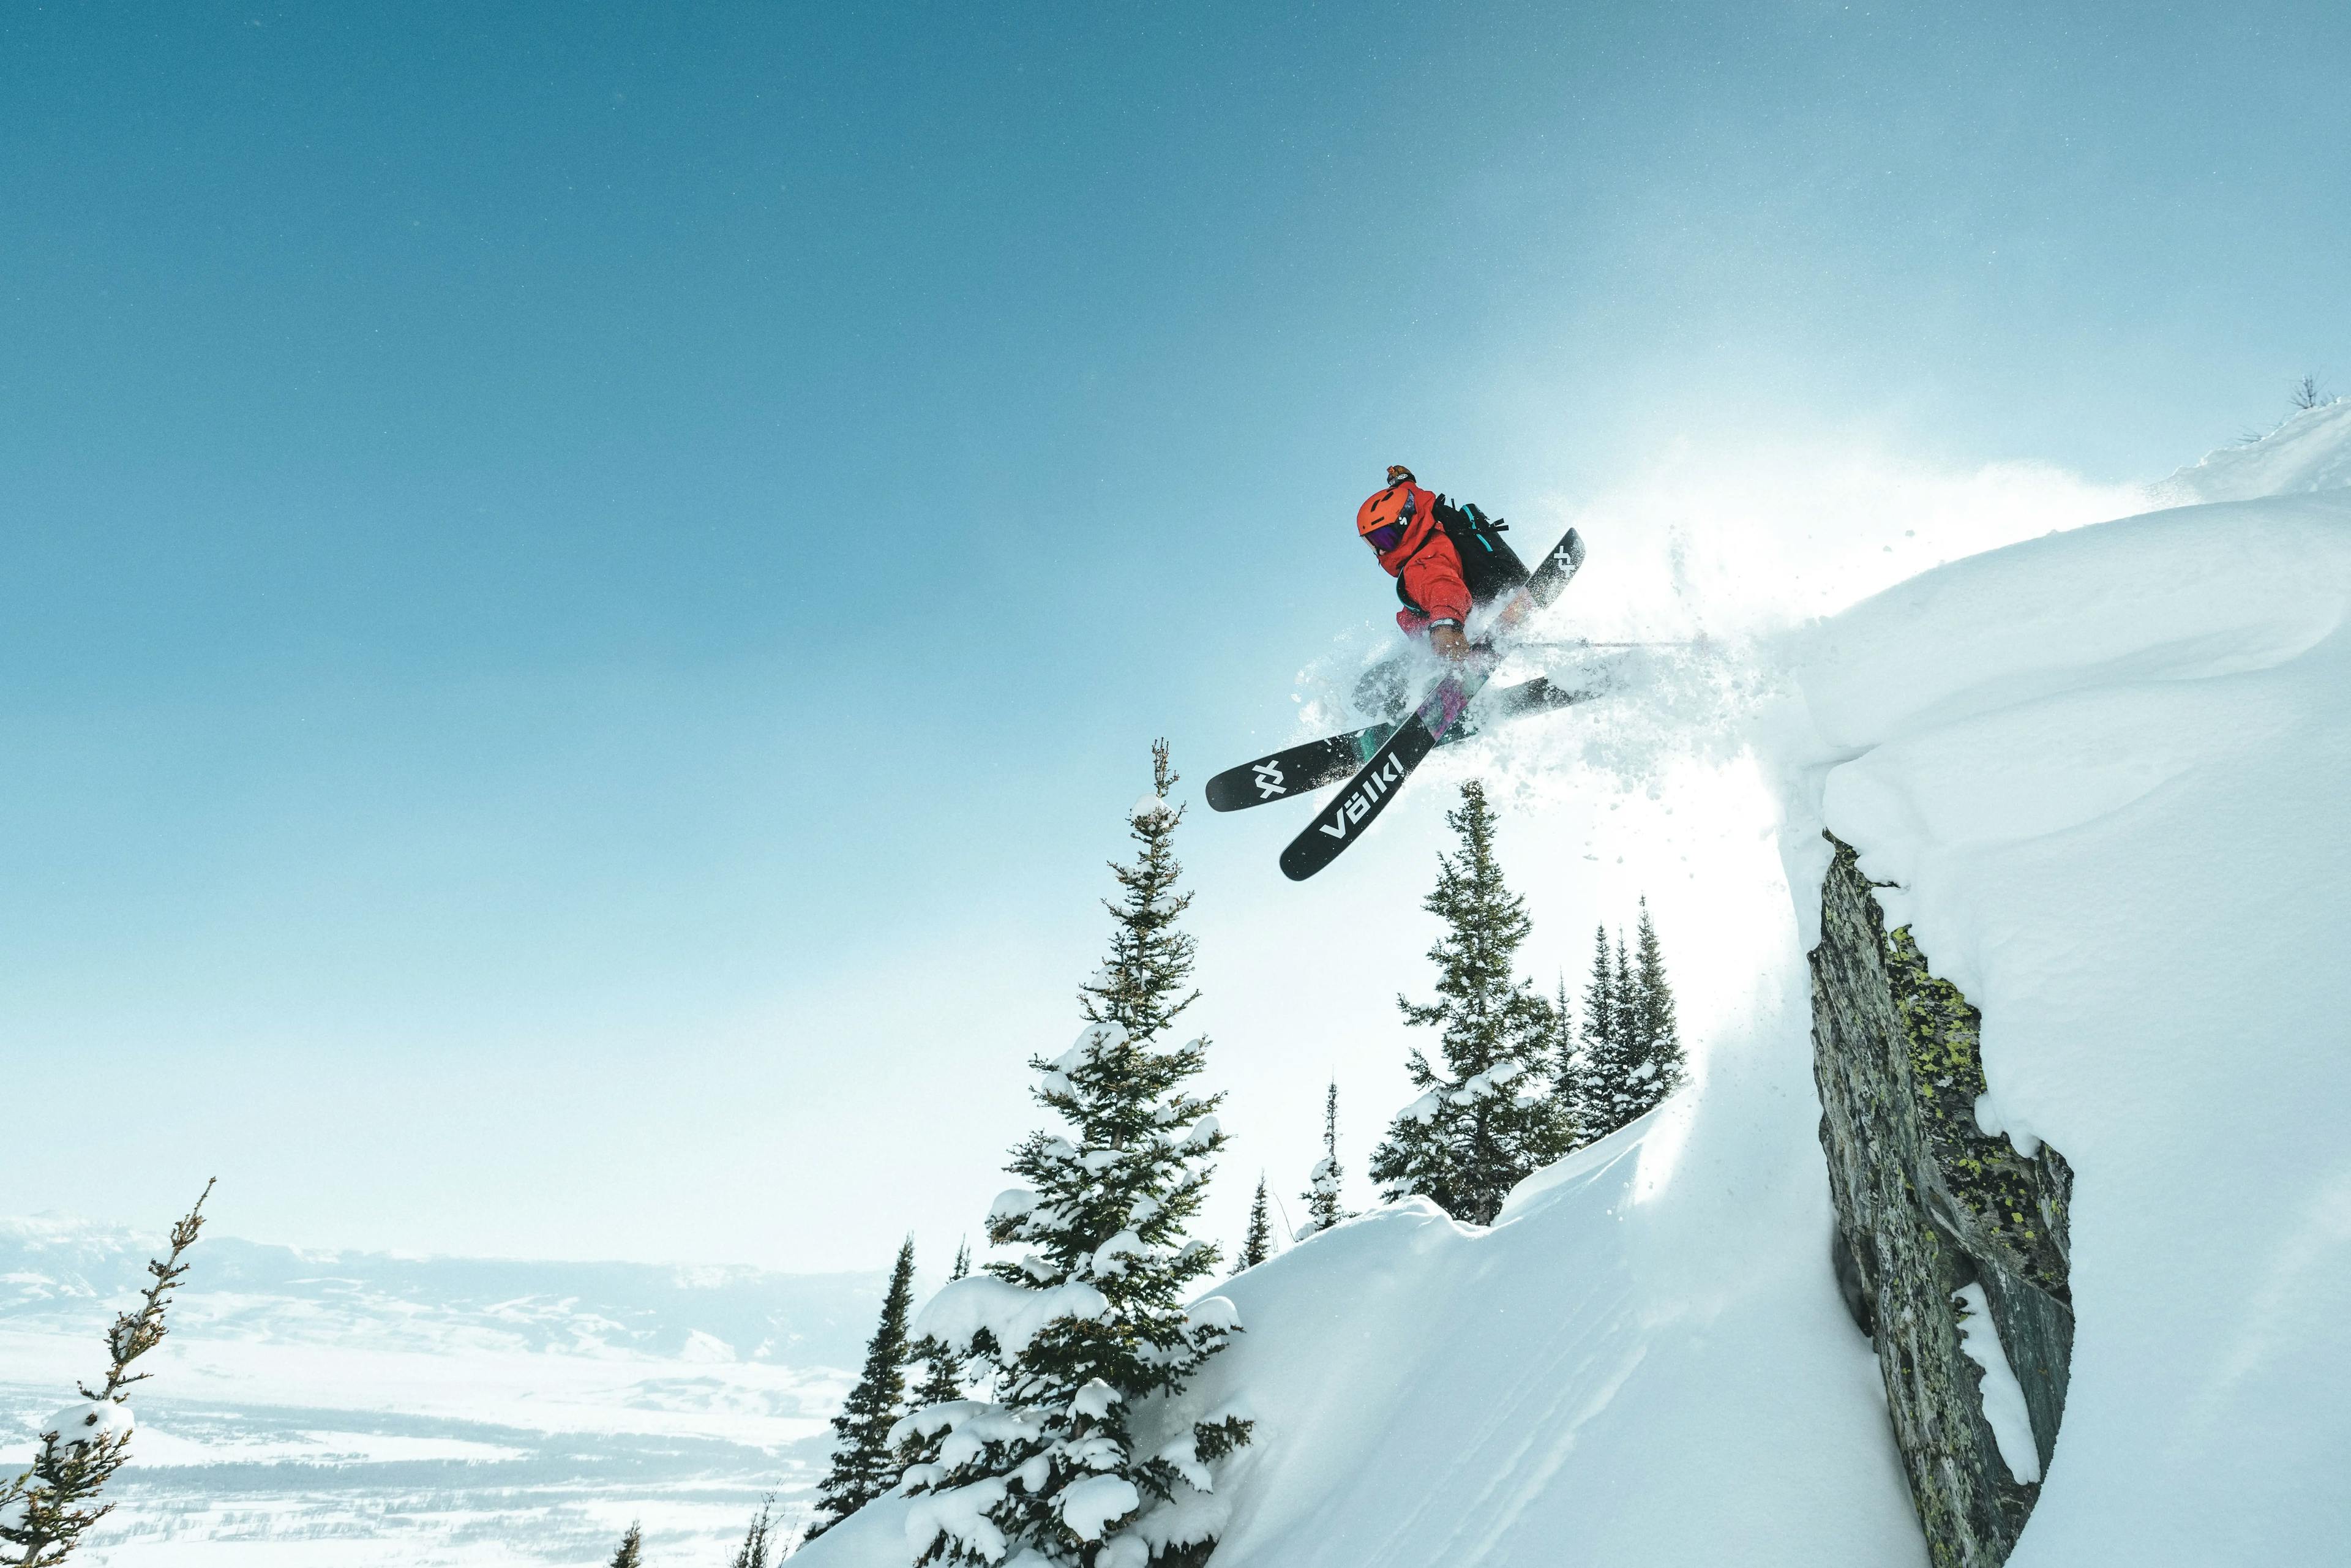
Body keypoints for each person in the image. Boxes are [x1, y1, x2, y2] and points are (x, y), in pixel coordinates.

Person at [1354, 464, 1530, 663]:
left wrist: (1446, 628)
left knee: (1373, 682)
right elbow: (1411, 495)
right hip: (1451, 613)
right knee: (1407, 618)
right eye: (1372, 542)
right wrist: (1402, 480)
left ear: (1403, 524)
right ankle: (1427, 662)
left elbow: (1443, 588)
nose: (1381, 550)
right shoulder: (1418, 510)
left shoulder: (1423, 561)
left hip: (1452, 624)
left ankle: (1448, 661)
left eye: (1385, 537)